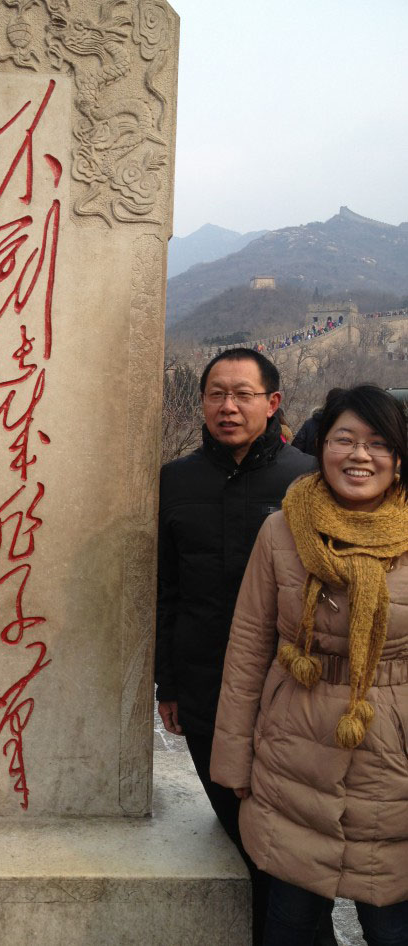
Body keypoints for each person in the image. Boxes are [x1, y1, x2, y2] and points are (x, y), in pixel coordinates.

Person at [211, 385, 408, 946]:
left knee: (392, 928)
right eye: (344, 439)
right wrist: (234, 762)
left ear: (398, 458)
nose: (360, 455)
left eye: (378, 443)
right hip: (292, 749)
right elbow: (248, 647)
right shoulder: (282, 530)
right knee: (290, 924)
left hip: (393, 756)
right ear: (322, 448)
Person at [155, 348, 320, 946]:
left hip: (291, 692)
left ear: (272, 403)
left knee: (290, 842)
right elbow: (167, 589)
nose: (228, 407)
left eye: (243, 394)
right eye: (216, 394)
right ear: (201, 402)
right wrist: (168, 683)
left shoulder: (308, 480)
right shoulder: (176, 480)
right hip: (204, 687)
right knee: (239, 830)